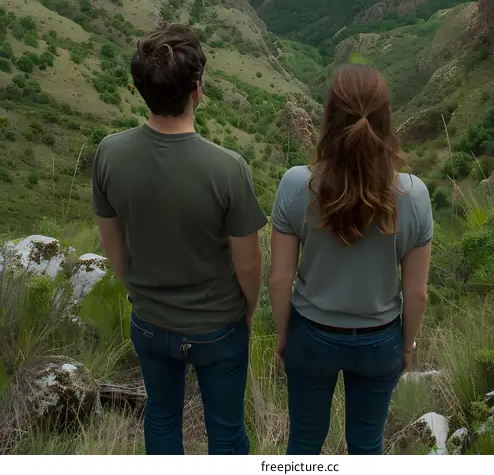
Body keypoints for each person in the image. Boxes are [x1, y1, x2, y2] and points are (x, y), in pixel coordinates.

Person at [92, 24, 267, 455]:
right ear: (197, 90)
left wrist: (136, 286)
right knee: (226, 433)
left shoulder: (110, 153)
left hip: (149, 322)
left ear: (139, 90)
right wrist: (249, 309)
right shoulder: (228, 168)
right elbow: (249, 264)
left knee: (162, 417)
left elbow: (112, 239)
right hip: (216, 328)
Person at [268, 63, 433, 456]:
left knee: (304, 444)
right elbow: (417, 294)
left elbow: (278, 280)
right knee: (366, 446)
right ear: (385, 119)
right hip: (381, 341)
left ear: (328, 118)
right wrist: (407, 346)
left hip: (312, 336)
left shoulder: (296, 184)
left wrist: (284, 336)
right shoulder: (414, 194)